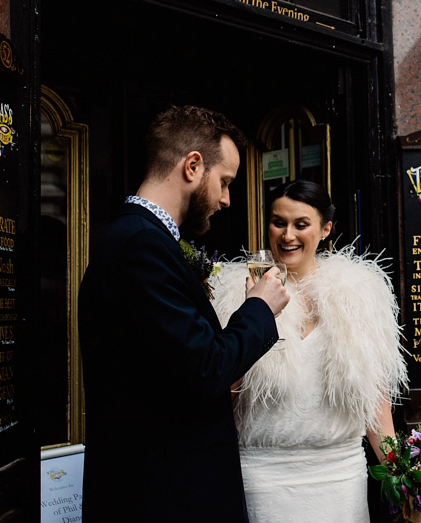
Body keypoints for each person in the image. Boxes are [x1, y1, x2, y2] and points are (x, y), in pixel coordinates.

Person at [78, 106, 290, 522]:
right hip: (163, 496)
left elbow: (177, 370)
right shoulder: (141, 246)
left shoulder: (141, 239)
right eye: (225, 182)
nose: (227, 199)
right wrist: (260, 309)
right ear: (193, 165)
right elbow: (205, 368)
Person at [211, 180, 407, 523]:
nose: (288, 235)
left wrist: (405, 481)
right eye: (278, 222)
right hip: (263, 479)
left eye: (301, 224)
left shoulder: (359, 296)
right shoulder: (232, 296)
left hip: (339, 479)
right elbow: (220, 388)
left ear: (326, 228)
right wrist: (252, 313)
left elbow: (376, 407)